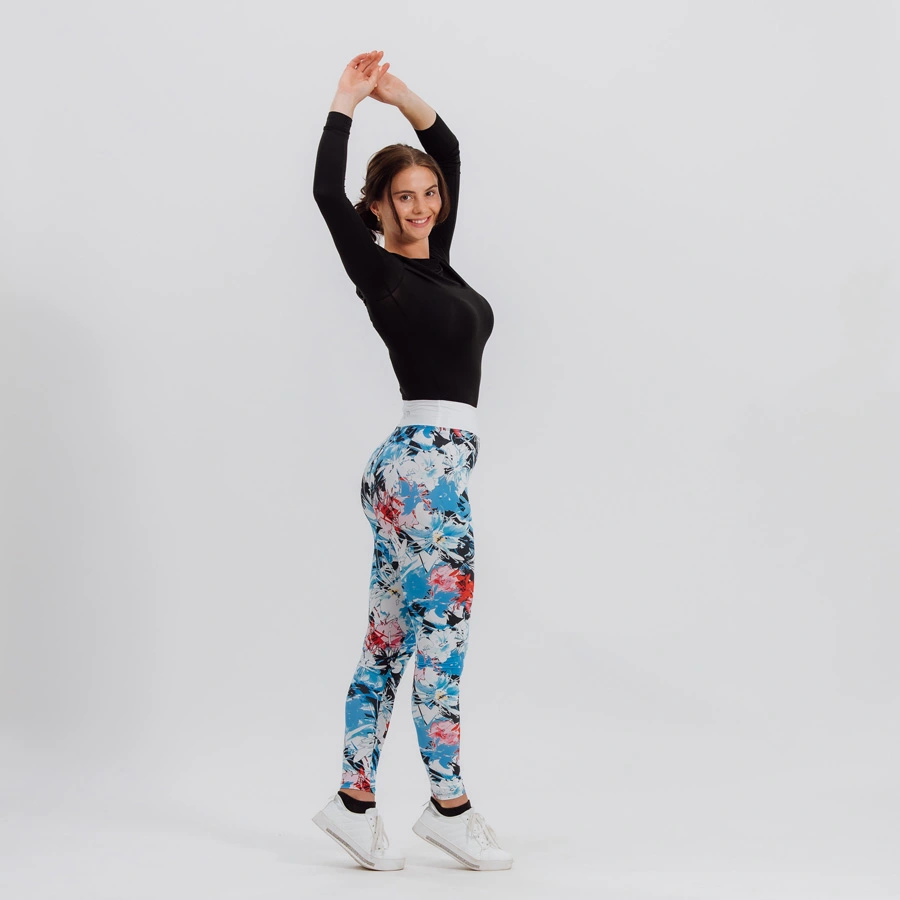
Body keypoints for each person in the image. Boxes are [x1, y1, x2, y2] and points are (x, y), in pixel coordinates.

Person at [310, 50, 512, 872]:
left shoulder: (438, 259)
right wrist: (344, 103)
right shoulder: (383, 274)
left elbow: (448, 149)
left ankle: (354, 801)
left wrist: (396, 95)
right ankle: (448, 806)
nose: (423, 206)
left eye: (429, 195)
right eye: (405, 197)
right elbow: (325, 195)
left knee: (390, 636)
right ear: (379, 207)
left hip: (416, 469)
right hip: (424, 471)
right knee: (442, 638)